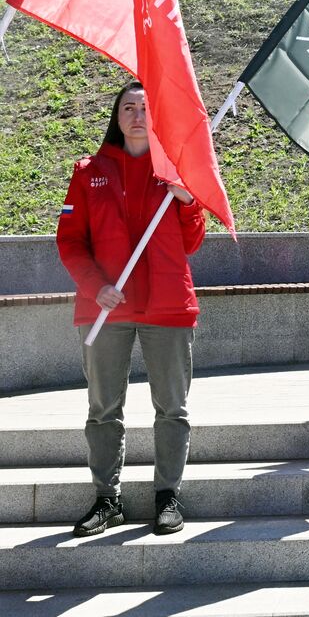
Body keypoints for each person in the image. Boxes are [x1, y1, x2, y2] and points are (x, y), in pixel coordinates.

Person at [57, 82, 207, 537]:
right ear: (117, 116)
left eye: (145, 106)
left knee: (172, 409)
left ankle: (167, 496)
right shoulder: (89, 171)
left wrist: (187, 200)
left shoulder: (176, 173)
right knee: (103, 409)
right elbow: (70, 241)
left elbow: (192, 243)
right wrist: (95, 285)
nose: (137, 114)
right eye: (128, 107)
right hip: (106, 308)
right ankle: (108, 500)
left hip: (167, 305)